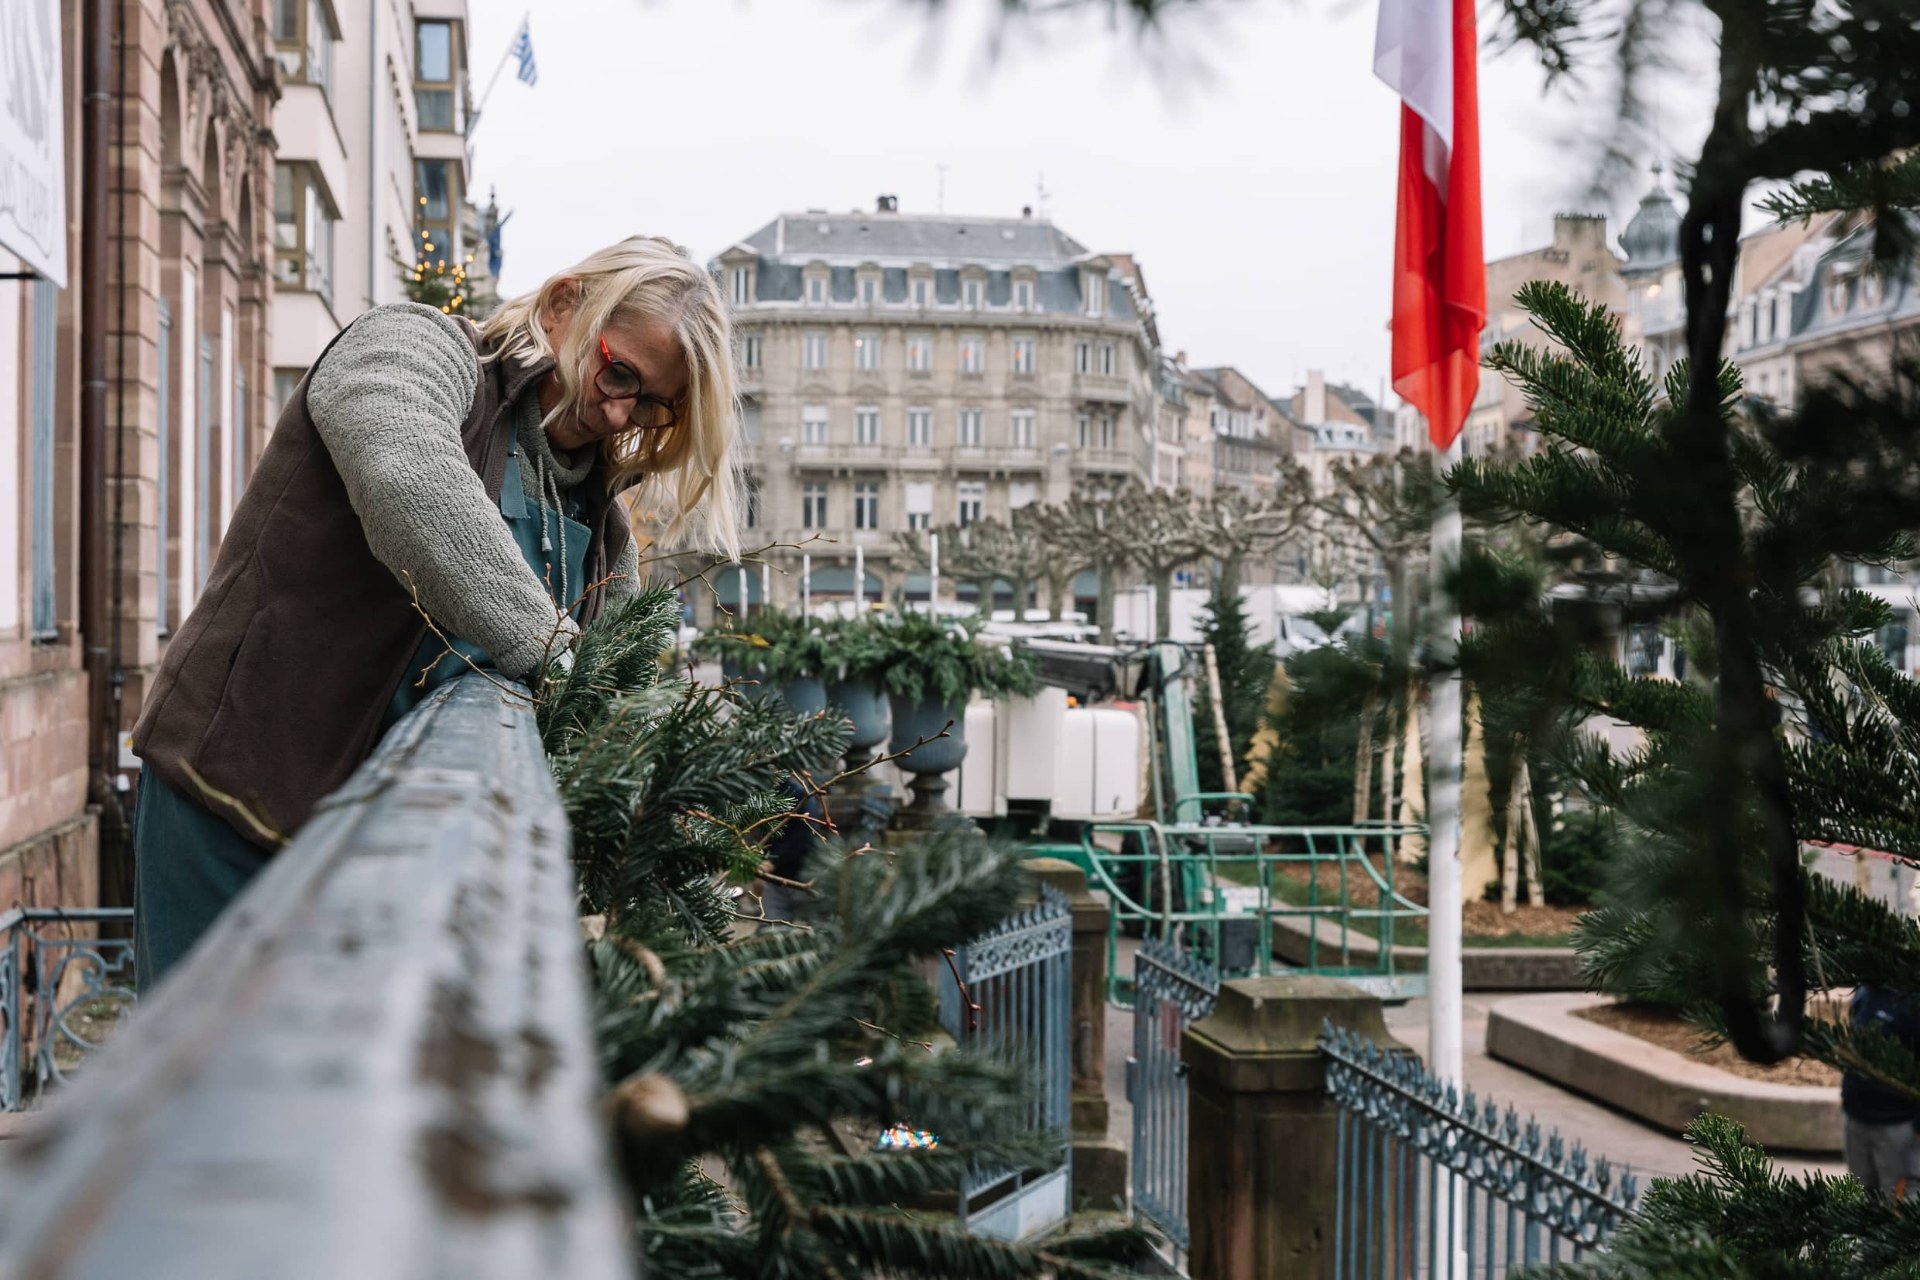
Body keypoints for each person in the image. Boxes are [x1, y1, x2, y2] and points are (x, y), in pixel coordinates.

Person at [130, 236, 741, 987]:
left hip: (391, 852)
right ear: (561, 305)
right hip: (239, 799)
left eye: (651, 403)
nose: (620, 413)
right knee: (203, 1082)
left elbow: (618, 704)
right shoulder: (413, 346)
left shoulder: (602, 521)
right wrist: (558, 655)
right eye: (619, 373)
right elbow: (406, 476)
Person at [1842, 982, 1920, 1197]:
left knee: (1897, 1204)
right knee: (1862, 1196)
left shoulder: (1912, 1003)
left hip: (1899, 1126)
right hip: (1856, 1118)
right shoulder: (1865, 991)